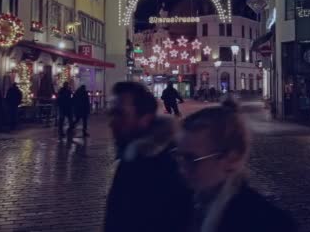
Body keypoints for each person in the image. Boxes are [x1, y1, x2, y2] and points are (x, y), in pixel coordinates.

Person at [175, 99, 297, 232]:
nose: (182, 169)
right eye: (179, 156)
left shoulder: (268, 223)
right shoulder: (177, 202)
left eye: (192, 159)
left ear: (231, 159)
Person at [104, 82, 192, 232]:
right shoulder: (131, 156)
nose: (112, 122)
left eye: (121, 114)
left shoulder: (166, 169)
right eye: (111, 113)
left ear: (145, 118)